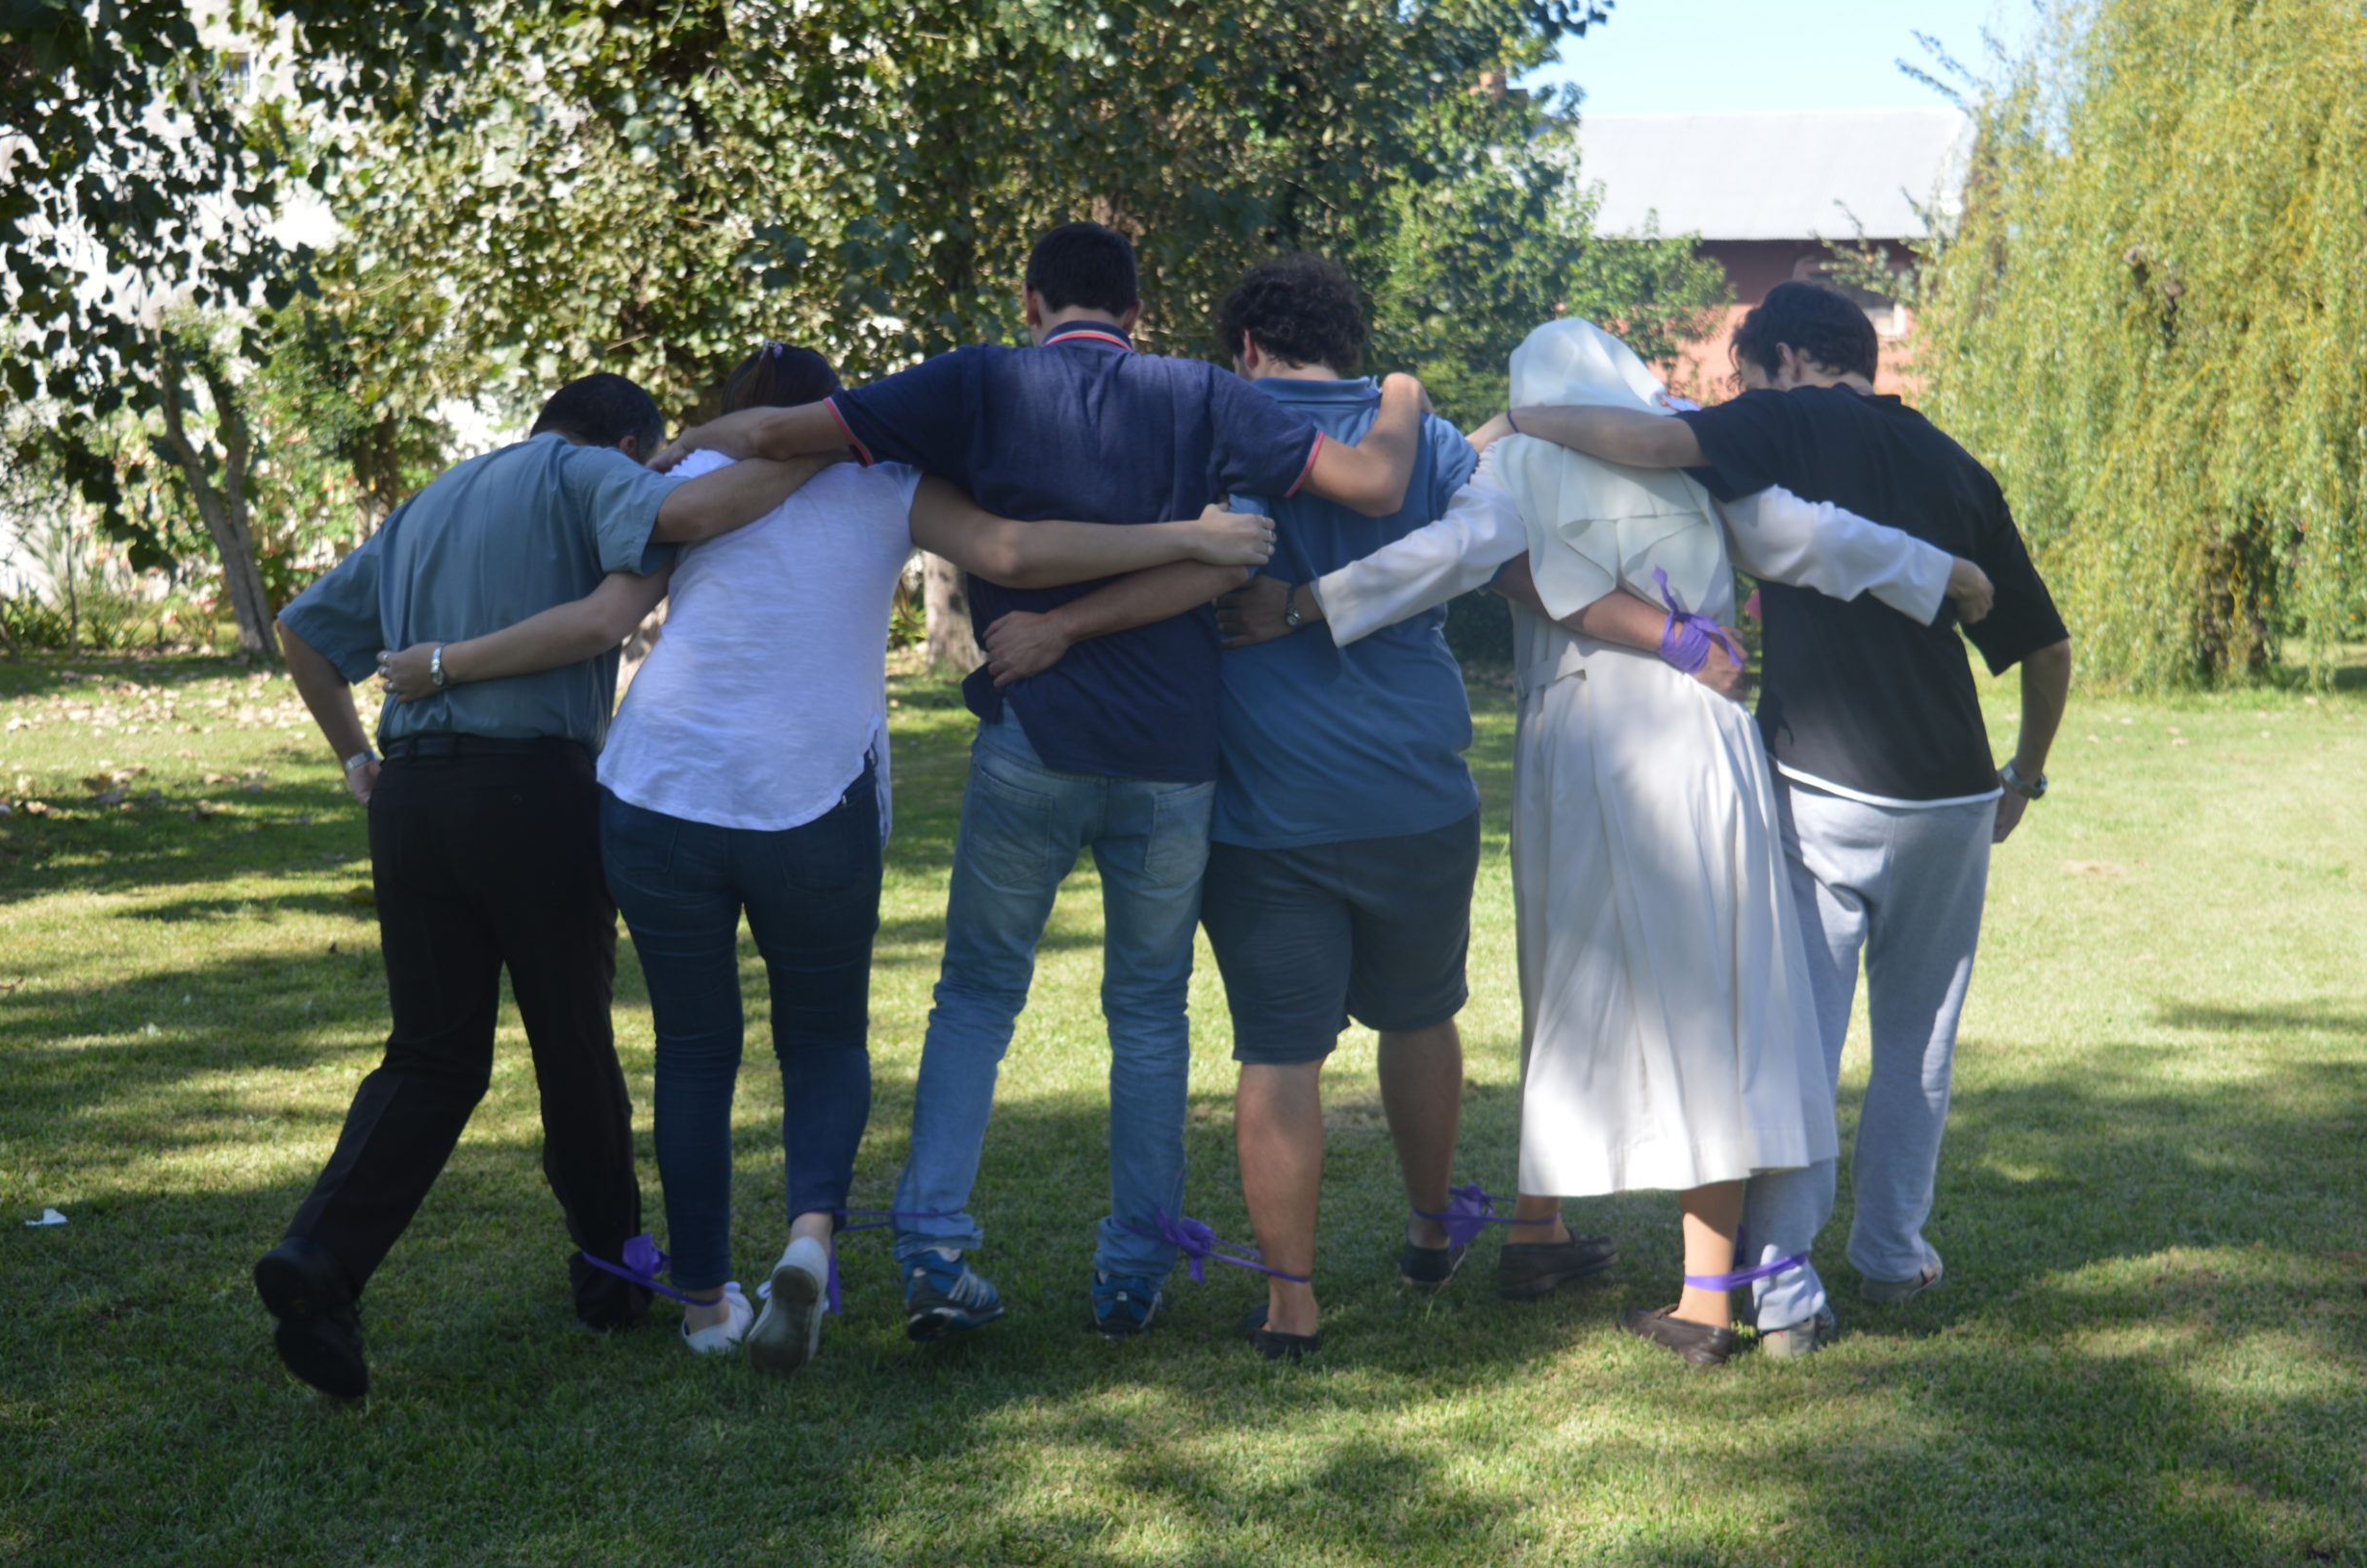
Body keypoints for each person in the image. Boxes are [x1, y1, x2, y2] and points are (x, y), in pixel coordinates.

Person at [371, 341, 1279, 1374]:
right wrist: (1189, 538)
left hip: (659, 786)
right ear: (835, 410)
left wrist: (444, 663)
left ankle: (703, 1300)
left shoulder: (685, 477)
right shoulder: (887, 478)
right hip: (814, 792)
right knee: (823, 1039)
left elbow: (606, 616)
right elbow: (1016, 552)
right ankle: (808, 1239)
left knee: (694, 1049)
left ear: (740, 411)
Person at [658, 222, 1434, 1343]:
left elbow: (781, 431)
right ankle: (1131, 1273)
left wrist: (688, 437)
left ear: (1030, 302)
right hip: (1171, 756)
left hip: (1032, 739)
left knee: (975, 997)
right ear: (1135, 312)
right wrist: (1401, 394)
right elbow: (1371, 482)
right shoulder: (1203, 392)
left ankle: (932, 1250)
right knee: (1149, 1013)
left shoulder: (978, 381)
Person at [1254, 318, 1983, 1364]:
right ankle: (1687, 1280)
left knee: (1566, 978)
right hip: (1700, 733)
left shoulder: (1511, 465)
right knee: (1717, 990)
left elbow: (1444, 555)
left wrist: (1310, 602)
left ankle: (1559, 1236)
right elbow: (1808, 536)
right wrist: (1936, 569)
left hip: (1576, 736)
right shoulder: (1687, 452)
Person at [1468, 282, 2073, 1347]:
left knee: (1793, 1036)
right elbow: (2036, 641)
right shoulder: (1955, 463)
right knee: (1919, 1038)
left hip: (1820, 776)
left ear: (1785, 361)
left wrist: (1517, 420)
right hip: (1951, 785)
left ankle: (1781, 1289)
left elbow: (1653, 455)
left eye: (1744, 373)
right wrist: (2021, 774)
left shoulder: (1766, 423)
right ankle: (1891, 1254)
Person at [971, 255, 1522, 1360]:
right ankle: (1429, 1229)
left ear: (1250, 348)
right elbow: (1483, 535)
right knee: (1421, 1014)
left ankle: (1290, 1304)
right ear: (1350, 343)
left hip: (1267, 802)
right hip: (1417, 786)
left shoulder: (1216, 431)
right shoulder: (1423, 438)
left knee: (1278, 1050)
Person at [258, 372, 845, 1400]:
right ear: (624, 443)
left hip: (412, 800)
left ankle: (320, 1256)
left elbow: (302, 630)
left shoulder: (432, 499)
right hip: (531, 791)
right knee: (571, 1044)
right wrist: (829, 446)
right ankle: (612, 1277)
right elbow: (697, 513)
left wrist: (357, 759)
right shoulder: (586, 473)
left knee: (432, 1054)